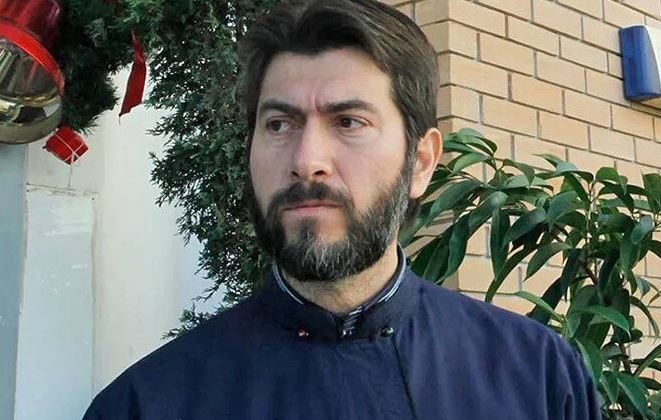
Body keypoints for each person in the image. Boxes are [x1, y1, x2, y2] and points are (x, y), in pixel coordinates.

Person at [82, 0, 603, 418]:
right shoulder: (146, 404)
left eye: (349, 122)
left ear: (421, 162)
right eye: (279, 125)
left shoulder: (540, 377)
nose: (306, 161)